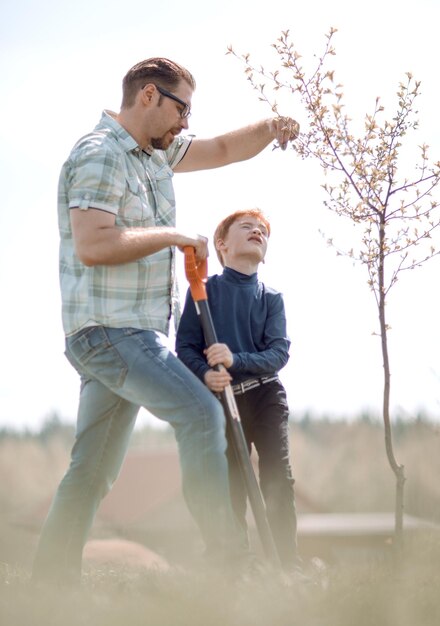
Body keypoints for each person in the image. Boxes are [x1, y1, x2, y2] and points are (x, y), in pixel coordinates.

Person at [32, 57, 300, 585]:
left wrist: (272, 128)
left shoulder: (153, 156)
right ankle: (228, 562)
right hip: (110, 331)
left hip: (126, 332)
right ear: (150, 95)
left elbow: (222, 150)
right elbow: (93, 244)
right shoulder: (101, 154)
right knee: (202, 414)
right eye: (182, 109)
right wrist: (173, 234)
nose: (185, 124)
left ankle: (49, 587)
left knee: (91, 471)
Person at [176, 209, 299, 571]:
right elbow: (184, 346)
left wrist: (234, 358)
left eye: (262, 230)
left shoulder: (271, 298)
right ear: (222, 245)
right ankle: (238, 566)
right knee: (234, 481)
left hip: (265, 396)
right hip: (224, 398)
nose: (257, 232)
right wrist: (205, 374)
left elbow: (278, 354)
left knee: (278, 475)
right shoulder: (205, 291)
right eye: (247, 227)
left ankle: (287, 566)